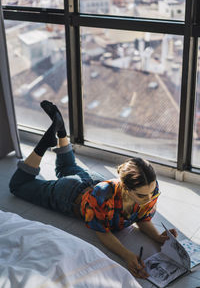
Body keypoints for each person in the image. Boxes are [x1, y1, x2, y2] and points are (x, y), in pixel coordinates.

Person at [9, 100, 178, 279]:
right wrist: (127, 255)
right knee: (19, 185)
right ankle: (44, 144)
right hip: (70, 194)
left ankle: (60, 130)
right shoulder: (104, 197)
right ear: (126, 189)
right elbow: (102, 231)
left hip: (92, 180)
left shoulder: (150, 189)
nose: (150, 198)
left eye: (152, 192)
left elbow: (141, 217)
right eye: (143, 195)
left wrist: (158, 237)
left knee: (66, 168)